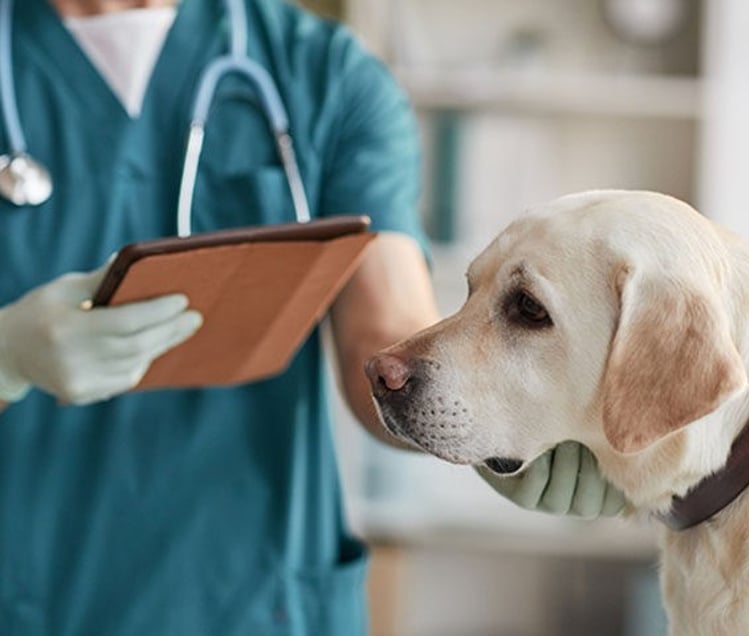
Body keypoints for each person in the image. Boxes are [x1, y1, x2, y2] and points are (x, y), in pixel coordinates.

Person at [0, 1, 618, 634]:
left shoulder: (326, 77)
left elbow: (382, 340)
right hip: (30, 595)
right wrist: (5, 360)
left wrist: (476, 418)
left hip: (254, 600)